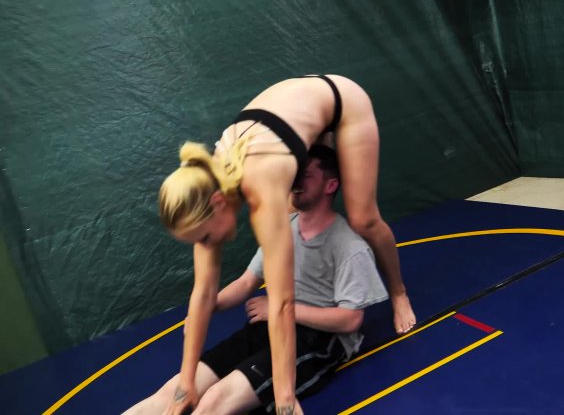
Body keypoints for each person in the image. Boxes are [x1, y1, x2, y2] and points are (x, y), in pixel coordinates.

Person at [156, 75, 415, 414]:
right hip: (285, 119)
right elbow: (203, 293)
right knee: (293, 215)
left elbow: (281, 305)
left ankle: (398, 292)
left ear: (218, 202)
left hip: (340, 101)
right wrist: (185, 384)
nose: (206, 246)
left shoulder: (262, 190)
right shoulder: (203, 189)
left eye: (204, 238)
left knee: (363, 218)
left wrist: (286, 401)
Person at [127, 145, 388, 414]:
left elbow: (351, 320)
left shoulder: (349, 246)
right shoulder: (281, 228)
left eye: (306, 175)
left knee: (214, 401)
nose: (296, 181)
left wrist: (278, 309)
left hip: (318, 341)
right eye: (295, 174)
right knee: (172, 392)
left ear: (330, 185)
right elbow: (245, 283)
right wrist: (205, 308)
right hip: (269, 325)